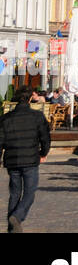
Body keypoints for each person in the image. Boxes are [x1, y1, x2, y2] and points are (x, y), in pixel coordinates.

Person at [0, 88, 50, 233]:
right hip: (30, 159)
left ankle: (12, 228)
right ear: (30, 99)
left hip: (12, 160)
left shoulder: (5, 118)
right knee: (29, 192)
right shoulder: (37, 116)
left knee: (15, 193)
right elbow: (45, 137)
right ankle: (16, 216)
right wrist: (43, 153)